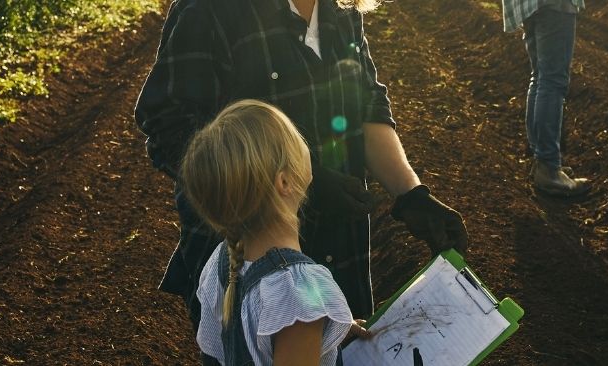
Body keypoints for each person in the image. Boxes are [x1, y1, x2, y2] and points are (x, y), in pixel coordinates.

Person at [134, 0, 468, 349]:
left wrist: (410, 193)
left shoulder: (340, 6)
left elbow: (365, 100)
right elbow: (170, 128)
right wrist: (292, 181)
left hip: (339, 245)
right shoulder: (211, 10)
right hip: (248, 259)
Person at [187, 101, 370, 365]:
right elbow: (290, 315)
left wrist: (319, 337)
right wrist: (306, 324)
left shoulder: (223, 259)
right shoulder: (298, 294)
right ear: (284, 181)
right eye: (296, 138)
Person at [501, 0, 592, 196]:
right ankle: (548, 166)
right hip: (553, 4)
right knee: (552, 81)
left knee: (541, 77)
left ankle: (541, 159)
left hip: (529, 7)